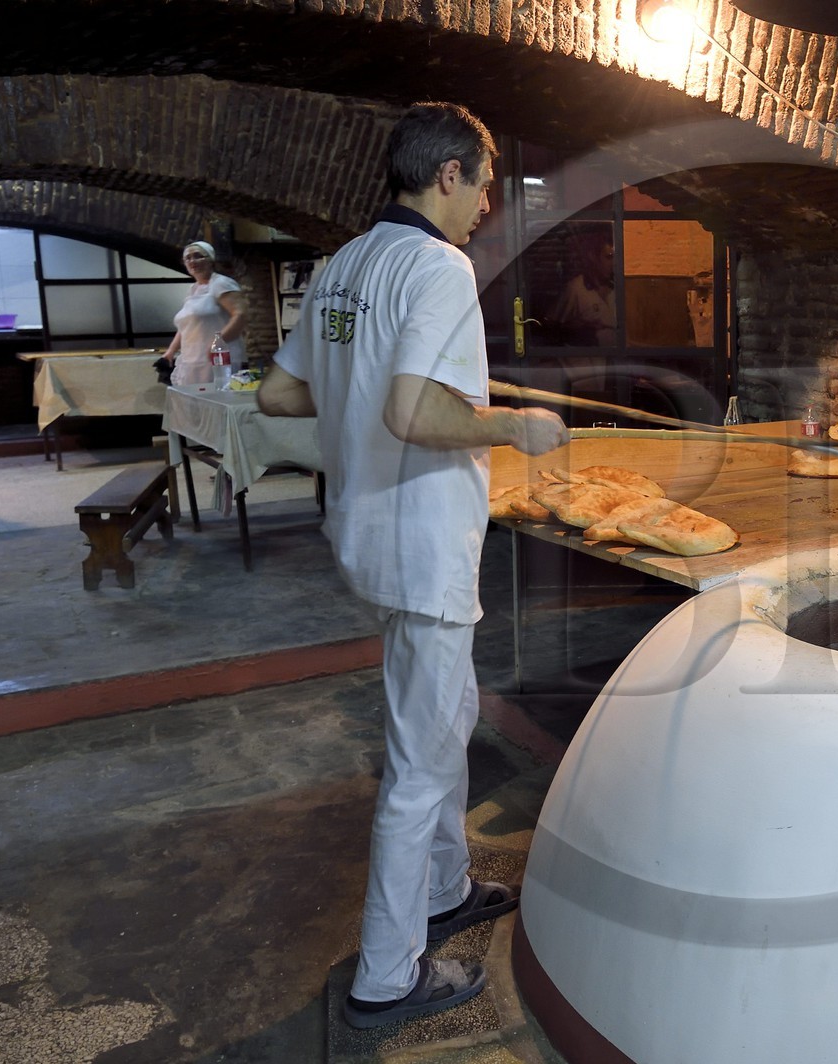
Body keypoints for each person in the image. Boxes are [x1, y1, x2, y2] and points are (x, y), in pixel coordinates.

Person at [257, 102, 568, 1029]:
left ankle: (443, 889)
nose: (485, 206)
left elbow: (279, 391)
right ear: (448, 176)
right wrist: (517, 426)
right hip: (424, 542)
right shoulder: (439, 265)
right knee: (420, 760)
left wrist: (362, 379)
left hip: (366, 532)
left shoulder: (347, 263)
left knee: (446, 716)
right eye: (483, 185)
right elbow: (411, 415)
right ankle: (386, 977)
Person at [162, 241, 245, 386]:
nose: (192, 261)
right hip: (192, 358)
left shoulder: (221, 283)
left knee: (216, 398)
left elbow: (240, 314)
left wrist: (217, 344)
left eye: (198, 256)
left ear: (211, 260)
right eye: (188, 258)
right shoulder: (193, 289)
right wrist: (170, 351)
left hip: (217, 359)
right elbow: (186, 327)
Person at [550, 229, 616, 345]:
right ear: (593, 257)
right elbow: (552, 327)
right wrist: (580, 328)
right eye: (608, 257)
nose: (613, 263)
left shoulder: (617, 289)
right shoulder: (576, 288)